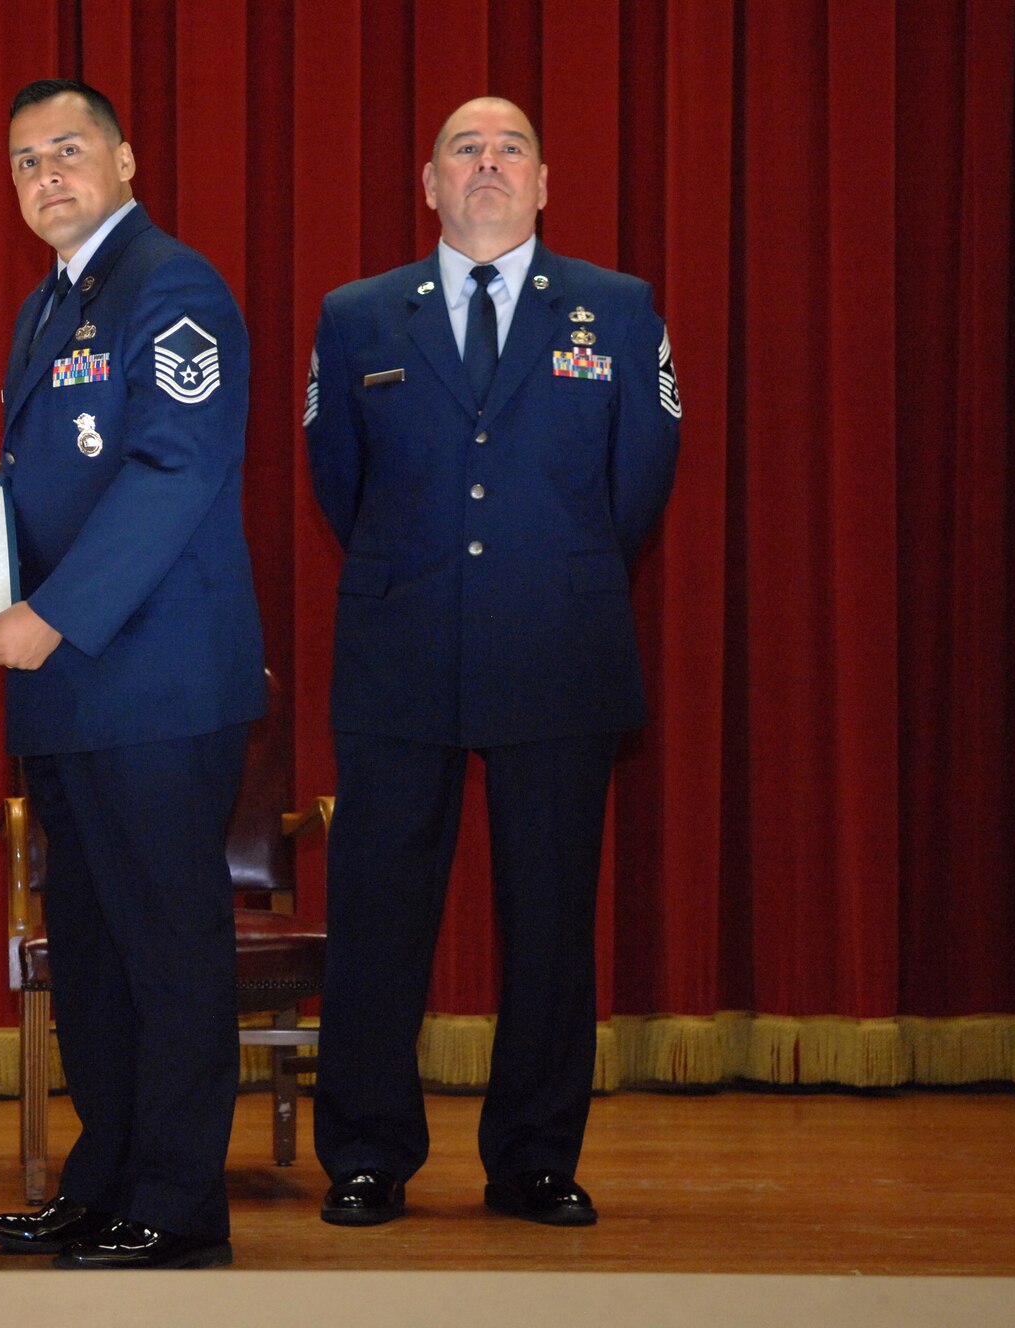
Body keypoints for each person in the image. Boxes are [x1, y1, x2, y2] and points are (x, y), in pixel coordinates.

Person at [304, 96, 680, 1229]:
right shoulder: (357, 315)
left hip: (555, 647)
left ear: (543, 180)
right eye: (462, 149)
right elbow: (337, 480)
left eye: (507, 146)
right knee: (375, 915)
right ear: (426, 184)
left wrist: (539, 576)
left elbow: (638, 482)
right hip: (398, 645)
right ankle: (367, 1153)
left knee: (551, 919)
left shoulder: (616, 309)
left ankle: (532, 1158)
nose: (485, 163)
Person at [0, 78, 266, 1270]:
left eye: (68, 150)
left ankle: (179, 1199)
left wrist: (49, 613)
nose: (47, 173)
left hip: (153, 687)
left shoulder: (172, 287)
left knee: (167, 945)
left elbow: (169, 471)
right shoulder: (48, 308)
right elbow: (36, 495)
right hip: (67, 692)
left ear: (126, 158)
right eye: (25, 159)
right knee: (91, 955)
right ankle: (104, 1178)